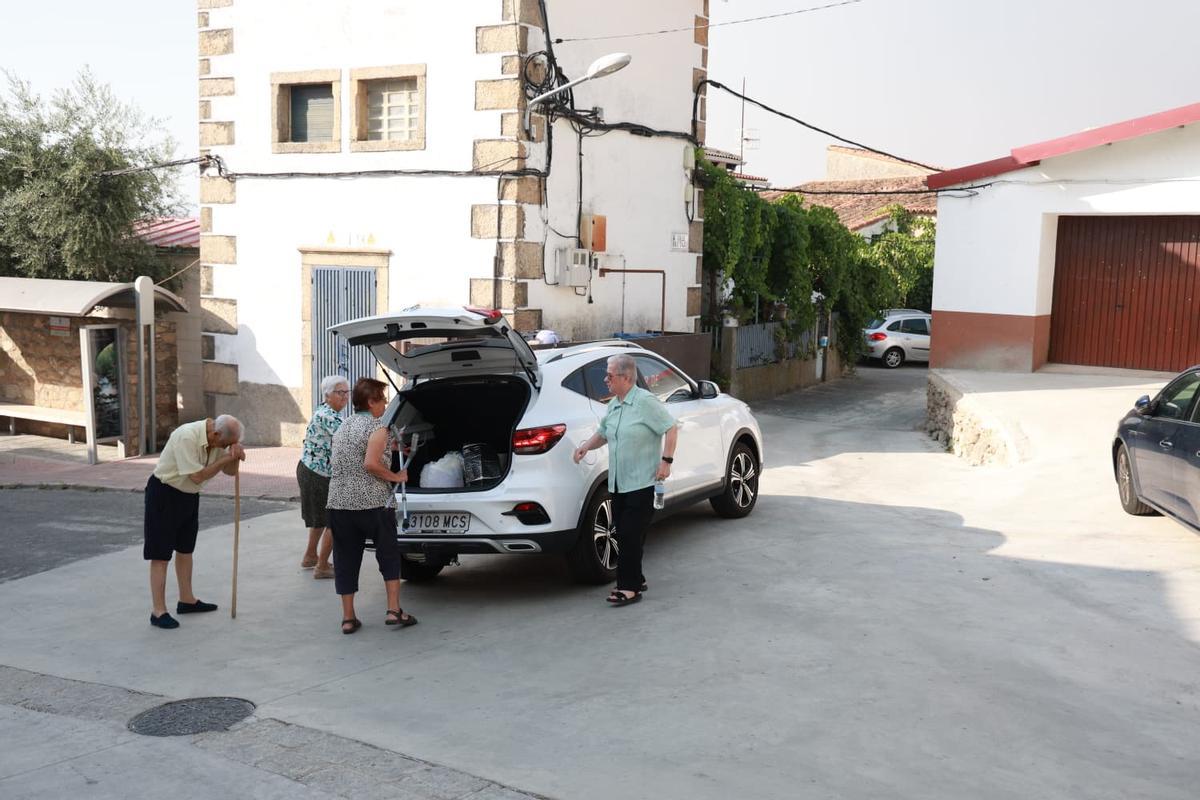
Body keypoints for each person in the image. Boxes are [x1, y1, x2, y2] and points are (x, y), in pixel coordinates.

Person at [572, 354, 677, 606]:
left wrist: (666, 461)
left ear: (626, 377)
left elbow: (671, 427)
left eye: (610, 375)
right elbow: (603, 432)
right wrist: (585, 446)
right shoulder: (615, 404)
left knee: (629, 534)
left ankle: (628, 587)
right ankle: (637, 578)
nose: (605, 380)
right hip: (618, 483)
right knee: (626, 534)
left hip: (642, 482)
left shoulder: (644, 402)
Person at [326, 377, 418, 634]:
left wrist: (392, 448)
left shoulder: (343, 426)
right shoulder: (378, 427)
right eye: (382, 399)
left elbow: (351, 457)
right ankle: (393, 610)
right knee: (388, 554)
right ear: (370, 401)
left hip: (339, 503)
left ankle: (348, 618)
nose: (385, 404)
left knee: (345, 558)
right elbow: (370, 464)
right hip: (373, 503)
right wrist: (397, 476)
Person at [144, 414, 246, 629]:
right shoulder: (186, 437)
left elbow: (230, 472)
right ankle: (158, 611)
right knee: (161, 554)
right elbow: (197, 476)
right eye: (225, 444)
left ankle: (187, 600)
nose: (224, 447)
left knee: (185, 549)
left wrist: (234, 454)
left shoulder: (218, 439)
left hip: (189, 496)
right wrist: (225, 457)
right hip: (165, 494)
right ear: (215, 434)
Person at [297, 375, 350, 579]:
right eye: (340, 392)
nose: (345, 396)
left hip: (311, 471)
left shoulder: (326, 410)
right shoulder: (330, 417)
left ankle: (310, 556)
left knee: (320, 519)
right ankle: (321, 567)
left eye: (347, 392)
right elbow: (351, 439)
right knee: (334, 520)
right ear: (327, 395)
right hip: (318, 474)